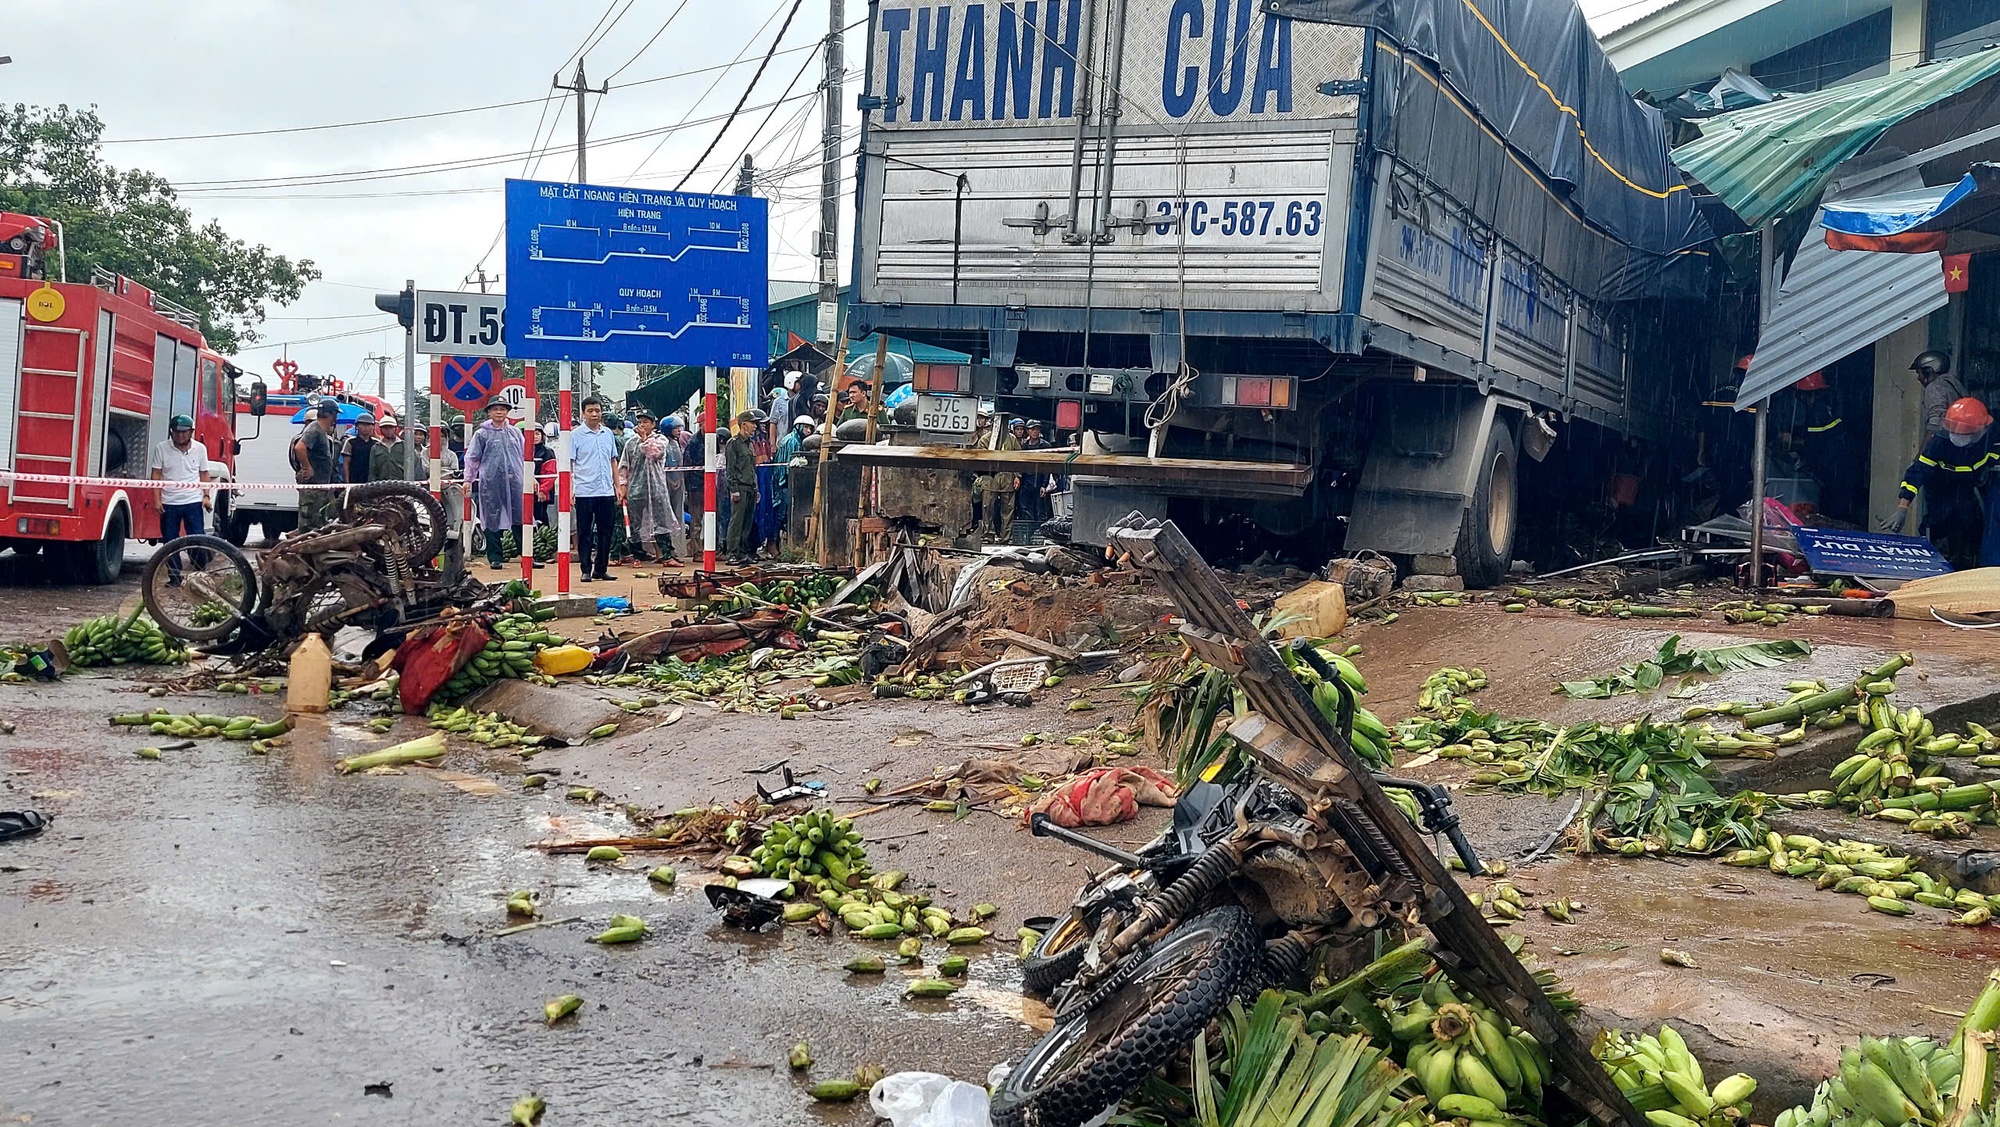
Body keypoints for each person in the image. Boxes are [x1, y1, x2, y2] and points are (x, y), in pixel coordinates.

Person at [1887, 397, 1998, 569]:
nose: (1958, 436)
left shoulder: (1989, 442)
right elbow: (1918, 472)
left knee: (1971, 543)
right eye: (1955, 430)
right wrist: (1903, 507)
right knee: (1939, 546)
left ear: (1980, 431)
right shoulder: (1939, 443)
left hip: (1971, 497)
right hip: (1941, 497)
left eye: (1965, 432)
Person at [465, 396, 527, 570]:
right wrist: (468, 480)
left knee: (520, 517)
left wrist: (531, 477)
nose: (499, 411)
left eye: (502, 408)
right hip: (491, 483)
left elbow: (523, 457)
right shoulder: (482, 434)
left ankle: (526, 555)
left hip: (515, 481)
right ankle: (495, 557)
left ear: (507, 411)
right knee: (491, 517)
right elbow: (472, 458)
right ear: (489, 412)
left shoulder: (515, 433)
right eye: (495, 409)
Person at [617, 410, 687, 566]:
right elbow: (624, 467)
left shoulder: (660, 440)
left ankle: (667, 556)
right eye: (640, 422)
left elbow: (654, 453)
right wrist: (623, 486)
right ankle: (637, 556)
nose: (642, 425)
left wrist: (644, 439)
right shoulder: (630, 443)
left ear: (653, 424)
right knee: (635, 524)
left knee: (662, 523)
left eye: (645, 422)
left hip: (656, 489)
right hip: (636, 490)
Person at [150, 413, 210, 581]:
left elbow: (204, 473)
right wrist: (157, 499)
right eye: (176, 432)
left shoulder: (200, 449)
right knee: (170, 541)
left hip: (192, 501)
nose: (180, 435)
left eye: (184, 432)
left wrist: (206, 495)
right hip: (170, 502)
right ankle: (175, 577)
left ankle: (199, 572)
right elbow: (156, 473)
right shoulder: (162, 448)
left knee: (197, 537)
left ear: (191, 432)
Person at [572, 396, 620, 582]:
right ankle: (585, 568)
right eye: (590, 411)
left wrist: (617, 485)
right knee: (584, 531)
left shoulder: (608, 434)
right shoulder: (575, 435)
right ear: (583, 413)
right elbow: (570, 463)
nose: (594, 414)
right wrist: (570, 490)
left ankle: (601, 568)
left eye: (597, 411)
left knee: (606, 532)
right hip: (584, 491)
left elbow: (613, 460)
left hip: (606, 491)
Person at [291, 401, 341, 531]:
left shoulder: (320, 430)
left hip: (320, 487)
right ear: (330, 415)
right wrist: (307, 467)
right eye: (335, 414)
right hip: (313, 489)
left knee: (319, 523)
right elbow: (299, 447)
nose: (335, 418)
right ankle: (302, 549)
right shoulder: (314, 429)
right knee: (308, 525)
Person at [772, 415, 816, 544]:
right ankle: (772, 542)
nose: (808, 431)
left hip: (788, 482)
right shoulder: (792, 441)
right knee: (781, 513)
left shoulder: (800, 441)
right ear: (798, 427)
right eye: (806, 427)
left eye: (810, 428)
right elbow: (789, 464)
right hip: (784, 482)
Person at [724, 410, 760, 564]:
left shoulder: (750, 444)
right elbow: (730, 468)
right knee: (736, 522)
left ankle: (742, 553)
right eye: (752, 423)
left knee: (747, 522)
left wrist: (756, 488)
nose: (755, 426)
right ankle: (731, 553)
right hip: (740, 487)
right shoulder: (733, 444)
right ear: (744, 425)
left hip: (750, 486)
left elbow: (752, 467)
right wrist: (734, 489)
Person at [1912, 350, 1967, 435]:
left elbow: (1935, 423)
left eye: (1919, 373)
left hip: (1945, 440)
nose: (1919, 378)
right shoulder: (1953, 383)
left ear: (1928, 371)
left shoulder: (1934, 387)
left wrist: (1925, 447)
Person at [341, 412, 382, 484]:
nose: (365, 427)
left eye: (368, 424)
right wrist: (346, 483)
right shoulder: (350, 442)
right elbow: (345, 464)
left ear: (373, 427)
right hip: (354, 480)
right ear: (356, 426)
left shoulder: (376, 443)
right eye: (362, 424)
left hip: (372, 482)